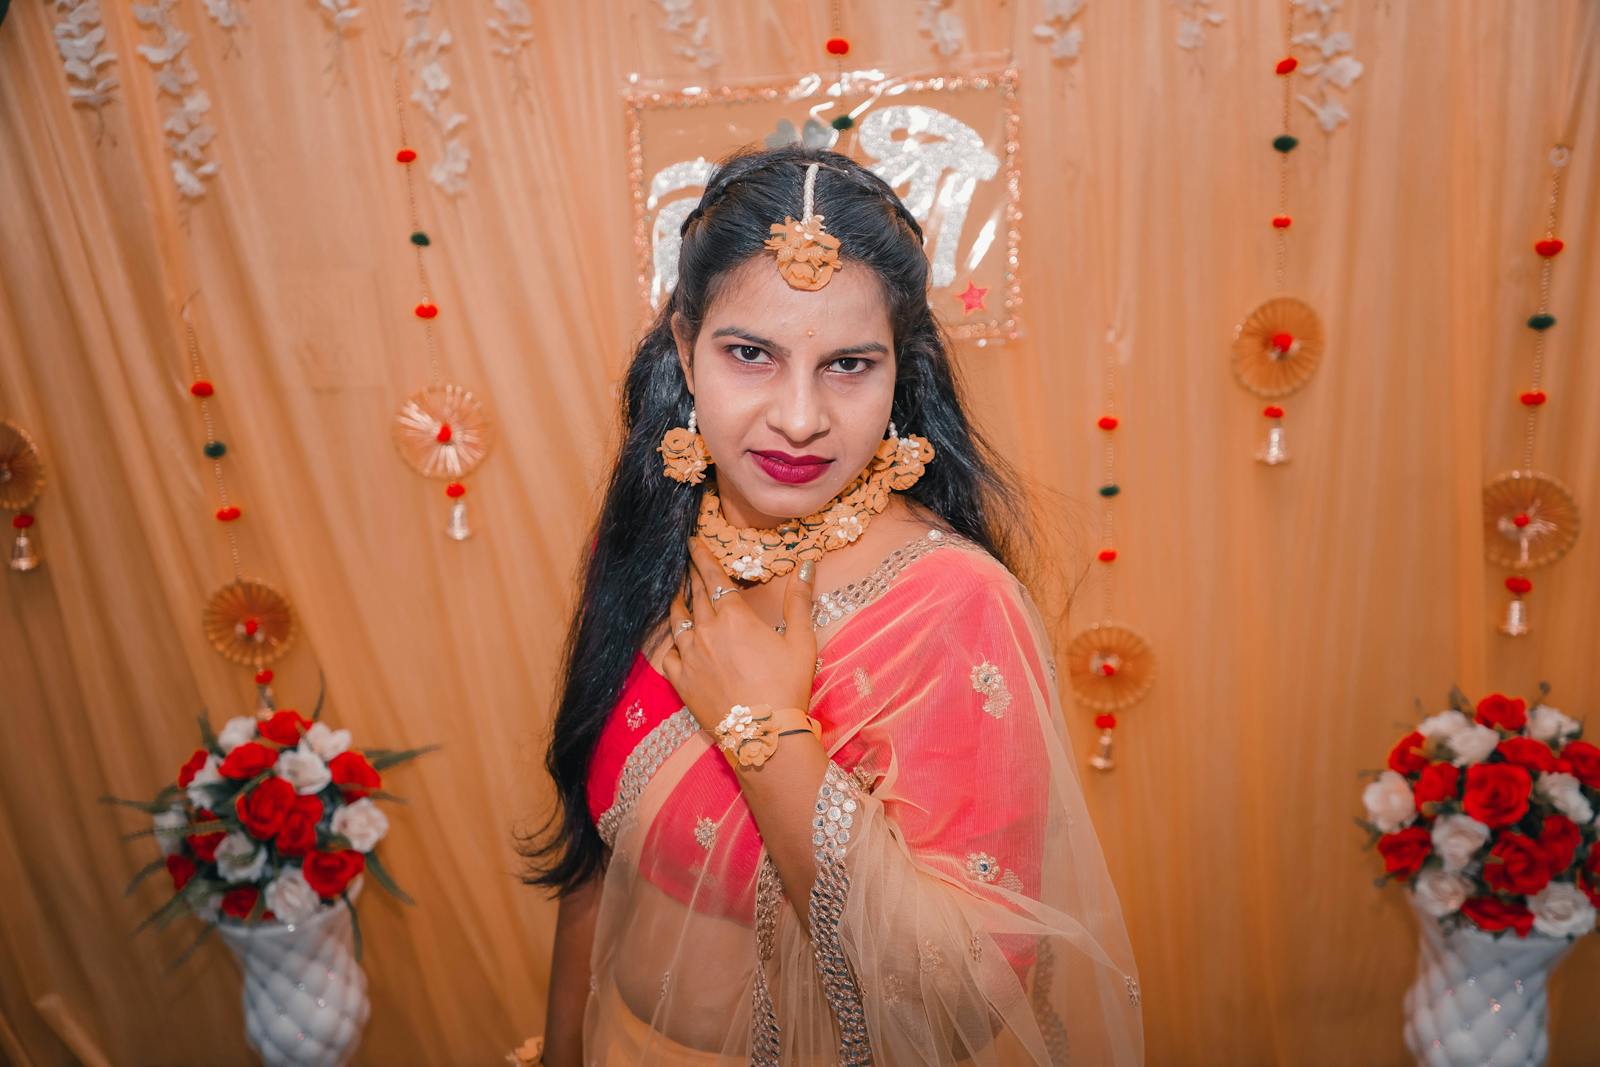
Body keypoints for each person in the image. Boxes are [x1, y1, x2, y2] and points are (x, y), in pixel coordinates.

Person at [520, 145, 1143, 1065]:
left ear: (902, 372)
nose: (800, 417)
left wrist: (764, 730)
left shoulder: (949, 603)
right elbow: (591, 857)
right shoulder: (657, 538)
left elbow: (969, 1002)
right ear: (685, 350)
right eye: (750, 354)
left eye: (849, 363)